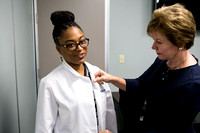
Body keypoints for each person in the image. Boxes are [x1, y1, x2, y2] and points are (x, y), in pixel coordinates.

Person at [94, 3, 200, 133]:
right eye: (154, 40)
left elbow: (167, 129)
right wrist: (111, 78)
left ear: (180, 42)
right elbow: (141, 85)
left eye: (159, 42)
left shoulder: (193, 84)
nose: (153, 47)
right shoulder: (165, 61)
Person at [35, 10, 117, 133]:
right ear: (59, 49)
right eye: (71, 45)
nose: (79, 48)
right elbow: (43, 129)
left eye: (82, 41)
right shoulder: (50, 83)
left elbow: (109, 115)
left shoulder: (98, 74)